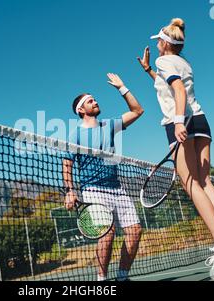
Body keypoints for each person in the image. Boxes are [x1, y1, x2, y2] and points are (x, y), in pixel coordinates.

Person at [137, 18, 214, 279]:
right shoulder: (182, 62)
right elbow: (168, 85)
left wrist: (176, 122)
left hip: (181, 121)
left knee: (190, 183)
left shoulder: (165, 61)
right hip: (201, 121)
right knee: (205, 181)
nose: (158, 45)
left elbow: (177, 90)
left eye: (159, 41)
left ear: (164, 43)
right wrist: (148, 71)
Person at [62, 73, 144, 281]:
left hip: (117, 187)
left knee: (135, 231)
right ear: (81, 110)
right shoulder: (75, 135)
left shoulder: (109, 125)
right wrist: (70, 191)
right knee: (106, 235)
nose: (95, 101)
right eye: (90, 100)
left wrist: (122, 87)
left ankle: (122, 277)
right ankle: (101, 280)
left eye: (94, 98)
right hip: (93, 190)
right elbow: (67, 164)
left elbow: (138, 111)